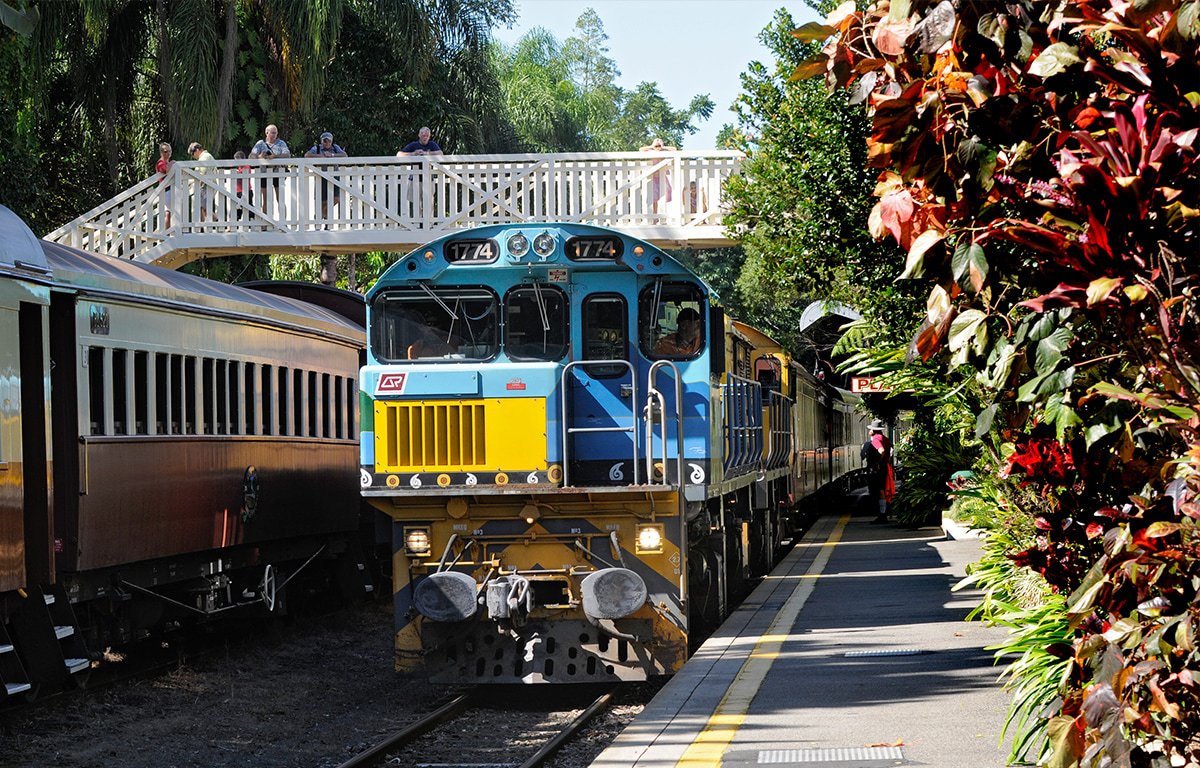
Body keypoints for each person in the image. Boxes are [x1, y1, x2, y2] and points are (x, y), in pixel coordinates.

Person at [305, 131, 348, 221]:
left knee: (336, 198)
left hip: (335, 175)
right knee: (323, 201)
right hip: (321, 176)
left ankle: (320, 215)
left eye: (329, 141)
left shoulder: (335, 148)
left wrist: (331, 155)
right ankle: (326, 221)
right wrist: (321, 157)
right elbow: (307, 155)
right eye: (325, 141)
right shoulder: (317, 148)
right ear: (321, 141)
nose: (327, 143)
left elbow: (344, 155)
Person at [250, 124, 290, 213]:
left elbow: (287, 155)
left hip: (278, 172)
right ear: (267, 133)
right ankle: (264, 224)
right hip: (264, 173)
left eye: (275, 133)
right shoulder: (260, 143)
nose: (274, 135)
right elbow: (251, 156)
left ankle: (282, 224)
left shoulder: (281, 143)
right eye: (272, 133)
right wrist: (260, 156)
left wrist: (275, 156)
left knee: (280, 199)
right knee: (265, 200)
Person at [862, 420, 895, 523]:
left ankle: (882, 515)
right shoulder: (886, 439)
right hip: (885, 467)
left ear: (873, 430)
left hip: (878, 469)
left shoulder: (876, 439)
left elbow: (881, 451)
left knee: (878, 491)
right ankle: (883, 513)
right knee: (882, 490)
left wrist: (877, 463)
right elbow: (888, 453)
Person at [640, 137, 677, 213]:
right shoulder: (651, 151)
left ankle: (663, 214)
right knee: (654, 198)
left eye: (659, 143)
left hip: (663, 177)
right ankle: (655, 215)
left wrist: (663, 147)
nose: (658, 147)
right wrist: (652, 146)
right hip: (654, 177)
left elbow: (674, 149)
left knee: (665, 195)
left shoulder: (664, 151)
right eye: (656, 144)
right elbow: (641, 150)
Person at [187, 141, 216, 222]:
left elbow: (203, 173)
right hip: (210, 184)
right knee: (203, 207)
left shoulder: (204, 157)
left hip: (207, 185)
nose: (193, 156)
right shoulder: (207, 156)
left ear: (197, 150)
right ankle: (215, 222)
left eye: (192, 154)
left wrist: (198, 185)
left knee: (202, 207)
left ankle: (203, 227)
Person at [155, 142, 174, 229]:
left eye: (169, 151)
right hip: (166, 190)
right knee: (169, 212)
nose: (168, 153)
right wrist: (173, 162)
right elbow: (165, 170)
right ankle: (167, 233)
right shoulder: (160, 163)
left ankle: (167, 232)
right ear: (161, 153)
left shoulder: (168, 162)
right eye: (166, 151)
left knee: (169, 212)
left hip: (171, 190)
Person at [233, 150, 251, 220]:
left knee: (249, 208)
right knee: (237, 209)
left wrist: (238, 175)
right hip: (239, 191)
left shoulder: (246, 167)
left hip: (247, 190)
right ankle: (233, 225)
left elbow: (245, 177)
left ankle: (257, 221)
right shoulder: (240, 168)